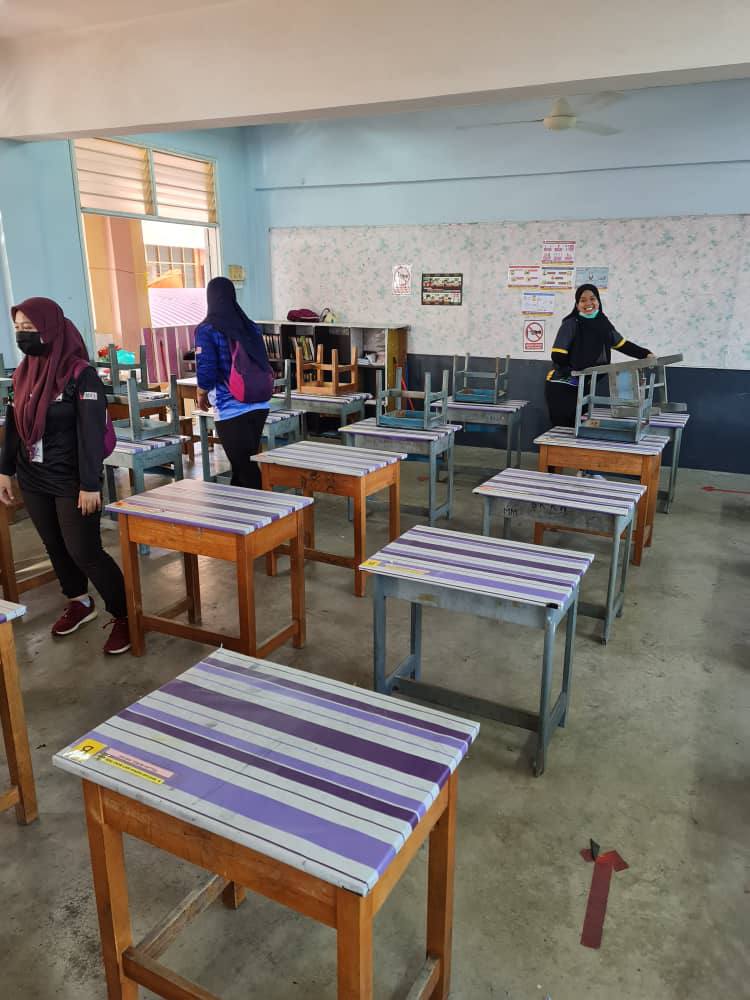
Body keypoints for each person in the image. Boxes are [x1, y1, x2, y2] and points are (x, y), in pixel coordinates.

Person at [0, 298, 130, 655]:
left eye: (30, 328)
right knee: (54, 546)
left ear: (51, 328)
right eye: (18, 328)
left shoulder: (79, 374)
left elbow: (91, 433)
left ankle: (125, 616)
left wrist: (89, 483)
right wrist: (5, 469)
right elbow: (14, 423)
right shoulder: (23, 372)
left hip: (72, 479)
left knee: (85, 551)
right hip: (33, 475)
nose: (22, 335)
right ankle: (79, 601)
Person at [195, 277, 271, 489]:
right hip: (259, 404)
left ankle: (268, 508)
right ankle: (238, 508)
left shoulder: (207, 329)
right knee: (241, 467)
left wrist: (201, 393)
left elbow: (207, 370)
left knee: (245, 469)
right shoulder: (250, 326)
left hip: (231, 407)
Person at [545, 283, 654, 428]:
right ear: (577, 305)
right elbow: (558, 355)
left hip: (584, 385)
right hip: (562, 385)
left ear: (598, 301)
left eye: (592, 299)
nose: (588, 303)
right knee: (563, 429)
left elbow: (622, 344)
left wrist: (646, 354)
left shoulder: (604, 324)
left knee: (579, 428)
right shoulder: (571, 324)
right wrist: (575, 372)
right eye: (583, 300)